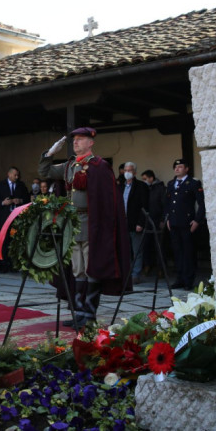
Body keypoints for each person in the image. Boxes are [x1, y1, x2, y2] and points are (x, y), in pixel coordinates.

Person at [38, 127, 131, 329]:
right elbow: (44, 172)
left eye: (81, 140)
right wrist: (49, 154)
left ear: (91, 143)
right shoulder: (69, 165)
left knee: (92, 269)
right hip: (74, 224)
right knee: (78, 270)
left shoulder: (99, 166)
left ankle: (90, 314)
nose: (76, 143)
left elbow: (107, 199)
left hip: (93, 223)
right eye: (74, 140)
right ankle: (79, 312)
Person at [164, 158, 206, 290]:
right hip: (175, 223)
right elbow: (168, 203)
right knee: (177, 252)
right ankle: (180, 278)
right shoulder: (171, 183)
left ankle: (188, 280)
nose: (177, 169)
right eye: (175, 167)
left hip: (188, 223)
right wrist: (169, 219)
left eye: (180, 167)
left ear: (186, 169)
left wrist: (197, 220)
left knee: (188, 253)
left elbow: (202, 203)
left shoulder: (193, 183)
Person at [0, 166, 30, 271]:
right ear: (9, 174)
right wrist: (3, 202)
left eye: (18, 175)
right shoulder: (0, 185)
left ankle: (14, 263)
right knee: (3, 241)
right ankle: (3, 264)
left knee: (14, 240)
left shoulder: (21, 185)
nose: (16, 177)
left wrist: (20, 200)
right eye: (15, 175)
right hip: (4, 218)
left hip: (17, 219)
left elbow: (27, 198)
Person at [120, 162, 149, 284]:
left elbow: (145, 206)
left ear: (135, 172)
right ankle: (126, 273)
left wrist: (141, 223)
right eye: (125, 170)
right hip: (123, 223)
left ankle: (135, 274)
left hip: (135, 223)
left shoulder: (141, 186)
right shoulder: (120, 186)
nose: (127, 172)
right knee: (125, 250)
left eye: (130, 170)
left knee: (137, 250)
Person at [140, 169, 167, 275]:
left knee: (159, 246)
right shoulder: (144, 189)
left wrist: (162, 219)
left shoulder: (160, 188)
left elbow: (164, 205)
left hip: (157, 220)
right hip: (147, 220)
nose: (144, 181)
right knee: (146, 245)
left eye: (145, 179)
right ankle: (147, 265)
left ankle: (161, 269)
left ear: (152, 178)